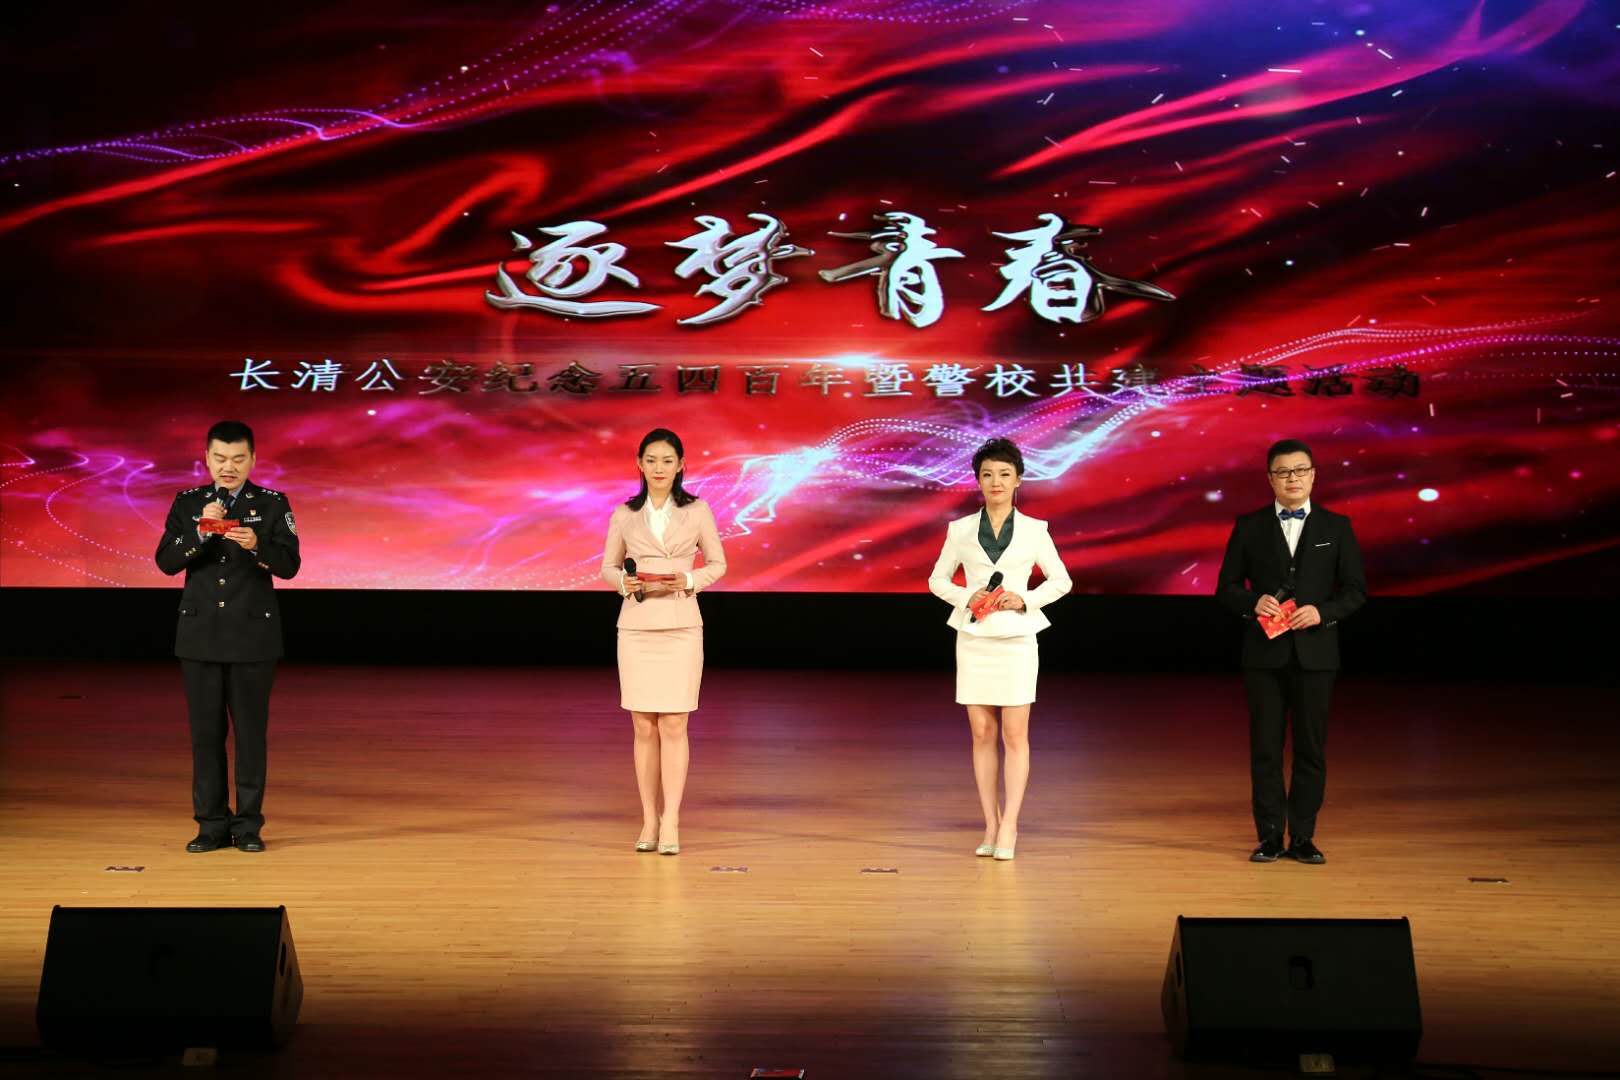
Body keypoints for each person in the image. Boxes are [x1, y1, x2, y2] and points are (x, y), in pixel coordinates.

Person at [1216, 438, 1366, 865]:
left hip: (1316, 656)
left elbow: (1355, 590)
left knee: (1310, 750)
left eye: (1300, 470)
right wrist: (1252, 603)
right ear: (1270, 479)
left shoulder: (1337, 527)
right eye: (1283, 472)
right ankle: (1269, 837)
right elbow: (1226, 588)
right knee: (1265, 749)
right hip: (1263, 657)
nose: (1292, 478)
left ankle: (1303, 837)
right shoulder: (1249, 526)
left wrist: (1322, 612)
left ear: (1313, 475)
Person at [153, 420, 300, 853]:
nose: (228, 467)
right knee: (205, 736)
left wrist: (257, 546)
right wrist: (200, 531)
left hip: (252, 636)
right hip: (200, 635)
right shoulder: (188, 502)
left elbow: (290, 566)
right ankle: (211, 825)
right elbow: (166, 562)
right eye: (219, 458)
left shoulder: (272, 503)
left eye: (237, 458)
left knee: (250, 736)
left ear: (252, 459)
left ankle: (248, 826)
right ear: (206, 459)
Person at [928, 438, 1072, 861]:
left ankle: (1010, 824)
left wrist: (1025, 599)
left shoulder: (1035, 530)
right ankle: (990, 823)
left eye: (1005, 475)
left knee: (1014, 733)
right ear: (978, 480)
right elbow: (937, 580)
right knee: (981, 733)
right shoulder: (960, 530)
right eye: (988, 474)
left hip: (1017, 640)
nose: (996, 482)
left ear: (1018, 480)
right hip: (974, 638)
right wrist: (966, 596)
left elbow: (1061, 580)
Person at [599, 428, 726, 855]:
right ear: (639, 464)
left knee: (674, 723)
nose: (659, 468)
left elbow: (718, 563)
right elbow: (608, 566)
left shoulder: (697, 510)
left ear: (681, 465)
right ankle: (648, 819)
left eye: (667, 461)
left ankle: (671, 818)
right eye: (651, 460)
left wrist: (687, 579)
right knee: (642, 725)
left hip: (680, 624)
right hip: (637, 625)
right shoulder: (624, 513)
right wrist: (625, 582)